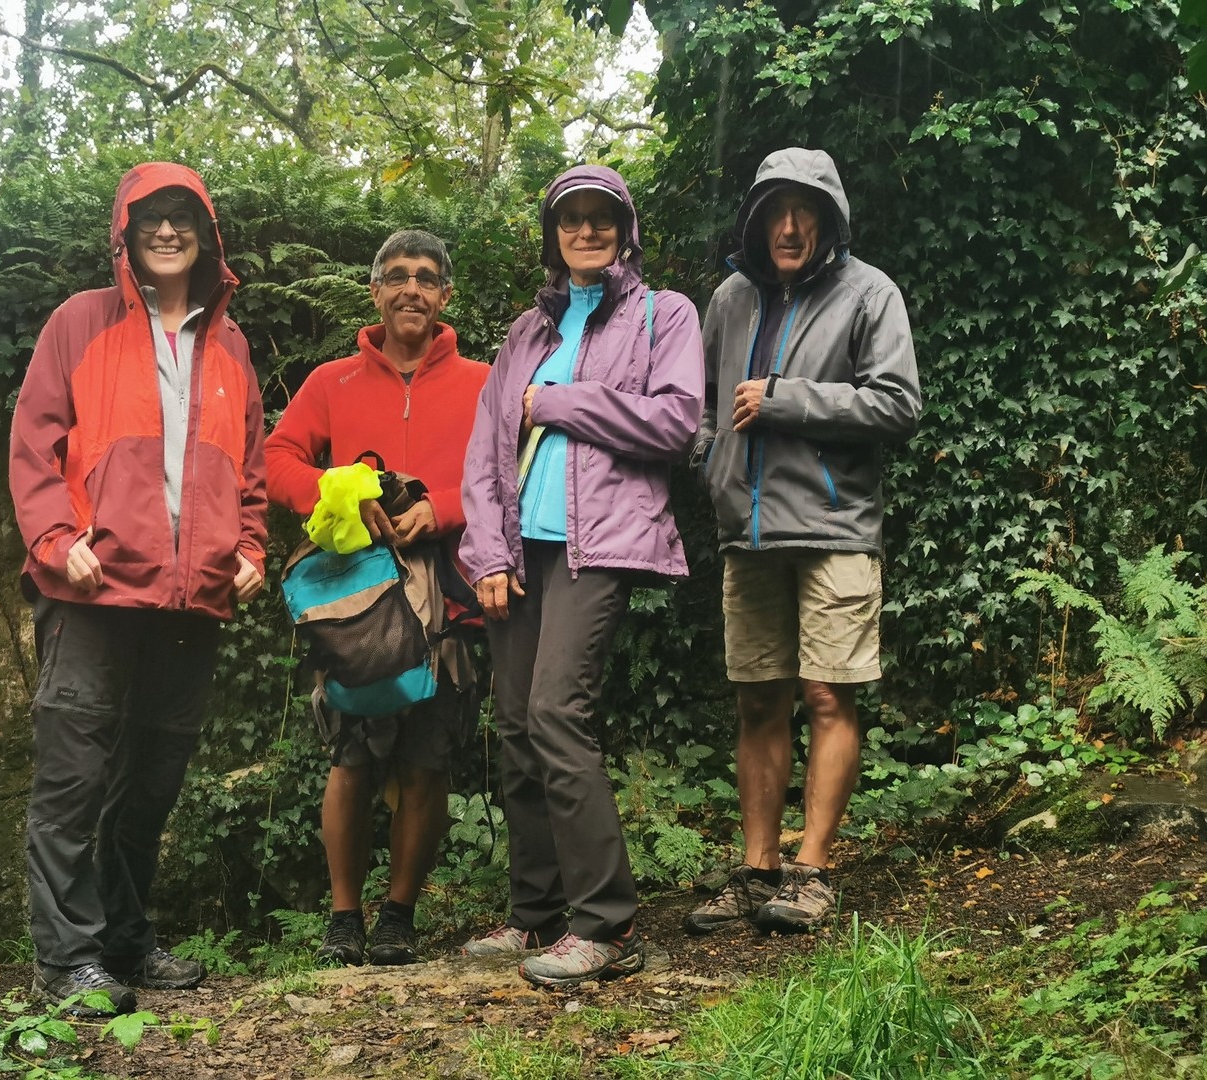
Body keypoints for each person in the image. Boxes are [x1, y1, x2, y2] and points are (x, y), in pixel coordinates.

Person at [9, 163, 269, 1014]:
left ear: (207, 235)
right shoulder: (78, 323)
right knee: (73, 782)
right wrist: (53, 538)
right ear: (125, 229)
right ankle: (68, 960)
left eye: (182, 216)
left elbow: (251, 474)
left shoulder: (229, 346)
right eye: (150, 217)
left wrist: (253, 549)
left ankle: (122, 938)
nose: (166, 230)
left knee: (152, 783)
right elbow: (35, 440)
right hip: (91, 591)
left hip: (192, 602)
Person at [459, 165, 705, 988]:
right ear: (553, 236)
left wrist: (562, 403)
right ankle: (534, 918)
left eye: (603, 219)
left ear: (625, 230)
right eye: (573, 222)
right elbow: (486, 453)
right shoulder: (527, 334)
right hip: (519, 552)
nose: (588, 232)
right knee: (519, 730)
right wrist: (488, 555)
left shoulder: (662, 315)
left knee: (557, 713)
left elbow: (676, 422)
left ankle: (606, 923)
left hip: (594, 545)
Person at [687, 147, 921, 935]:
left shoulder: (870, 293)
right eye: (774, 210)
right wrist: (713, 467)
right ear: (755, 218)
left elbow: (897, 405)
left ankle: (813, 870)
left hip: (834, 527)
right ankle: (757, 872)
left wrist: (788, 400)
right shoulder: (728, 299)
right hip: (746, 533)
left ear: (827, 216)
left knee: (827, 695)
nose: (789, 226)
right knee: (758, 699)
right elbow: (709, 411)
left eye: (804, 209)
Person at [265, 229, 489, 967]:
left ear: (446, 296)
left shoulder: (483, 382)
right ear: (375, 291)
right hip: (358, 601)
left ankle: (399, 915)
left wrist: (442, 509)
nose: (411, 289)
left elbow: (506, 476)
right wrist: (336, 493)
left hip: (447, 600)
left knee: (427, 761)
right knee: (353, 757)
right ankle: (342, 918)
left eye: (426, 278)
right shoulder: (332, 381)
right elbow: (278, 459)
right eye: (396, 276)